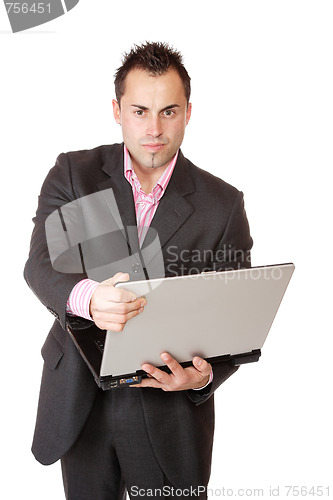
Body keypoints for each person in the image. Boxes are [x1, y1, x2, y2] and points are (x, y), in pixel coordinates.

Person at [24, 42, 253, 499]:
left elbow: (236, 317)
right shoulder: (73, 174)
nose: (153, 129)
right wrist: (87, 298)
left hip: (169, 410)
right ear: (116, 110)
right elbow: (41, 264)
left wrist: (204, 376)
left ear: (189, 111)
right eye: (139, 110)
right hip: (80, 400)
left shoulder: (222, 204)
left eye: (168, 112)